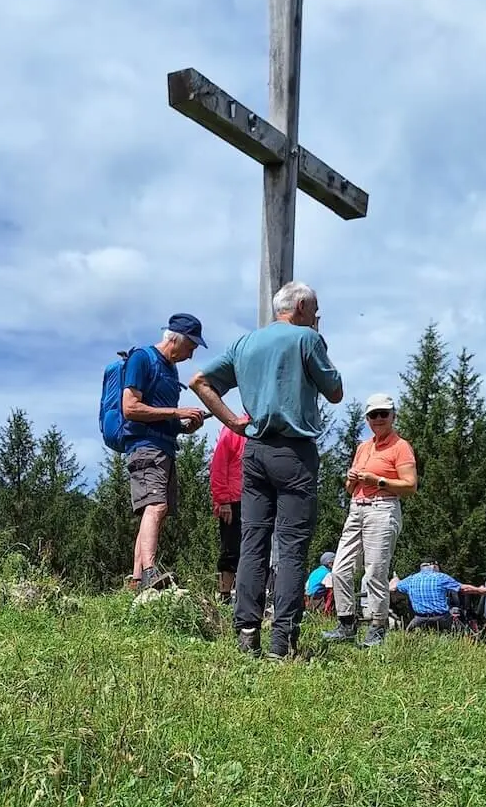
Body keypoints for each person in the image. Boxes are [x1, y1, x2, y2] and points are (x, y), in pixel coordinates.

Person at [189, 281, 343, 660]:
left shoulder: (245, 343)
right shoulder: (307, 339)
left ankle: (246, 634)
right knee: (290, 546)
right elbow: (335, 391)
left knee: (252, 543)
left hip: (255, 452)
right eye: (315, 310)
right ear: (302, 306)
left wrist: (232, 422)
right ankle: (282, 641)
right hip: (295, 452)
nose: (317, 316)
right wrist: (317, 338)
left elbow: (199, 381)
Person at [323, 393, 418, 648]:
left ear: (393, 416)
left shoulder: (401, 446)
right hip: (357, 508)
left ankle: (378, 626)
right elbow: (349, 488)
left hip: (383, 508)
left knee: (375, 570)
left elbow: (410, 485)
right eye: (373, 415)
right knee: (340, 568)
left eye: (383, 414)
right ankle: (346, 623)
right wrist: (352, 479)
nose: (378, 419)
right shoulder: (363, 447)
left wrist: (379, 481)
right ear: (367, 418)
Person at [122, 314, 207, 591]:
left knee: (156, 509)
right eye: (191, 347)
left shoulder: (170, 370)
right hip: (145, 448)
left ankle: (137, 580)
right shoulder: (142, 359)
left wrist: (186, 426)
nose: (191, 355)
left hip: (165, 448)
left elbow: (164, 417)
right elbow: (130, 408)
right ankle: (149, 573)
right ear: (175, 339)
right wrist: (176, 412)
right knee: (156, 506)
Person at [209, 418, 246, 605]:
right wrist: (222, 500)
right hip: (233, 500)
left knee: (253, 549)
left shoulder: (265, 428)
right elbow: (218, 464)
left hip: (256, 499)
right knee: (230, 548)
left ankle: (246, 595)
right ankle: (224, 595)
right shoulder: (234, 429)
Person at [392, 559, 486, 630]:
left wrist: (395, 580)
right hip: (441, 618)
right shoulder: (441, 577)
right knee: (460, 633)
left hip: (419, 618)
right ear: (434, 566)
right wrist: (479, 590)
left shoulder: (411, 579)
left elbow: (393, 587)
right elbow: (464, 588)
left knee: (408, 637)